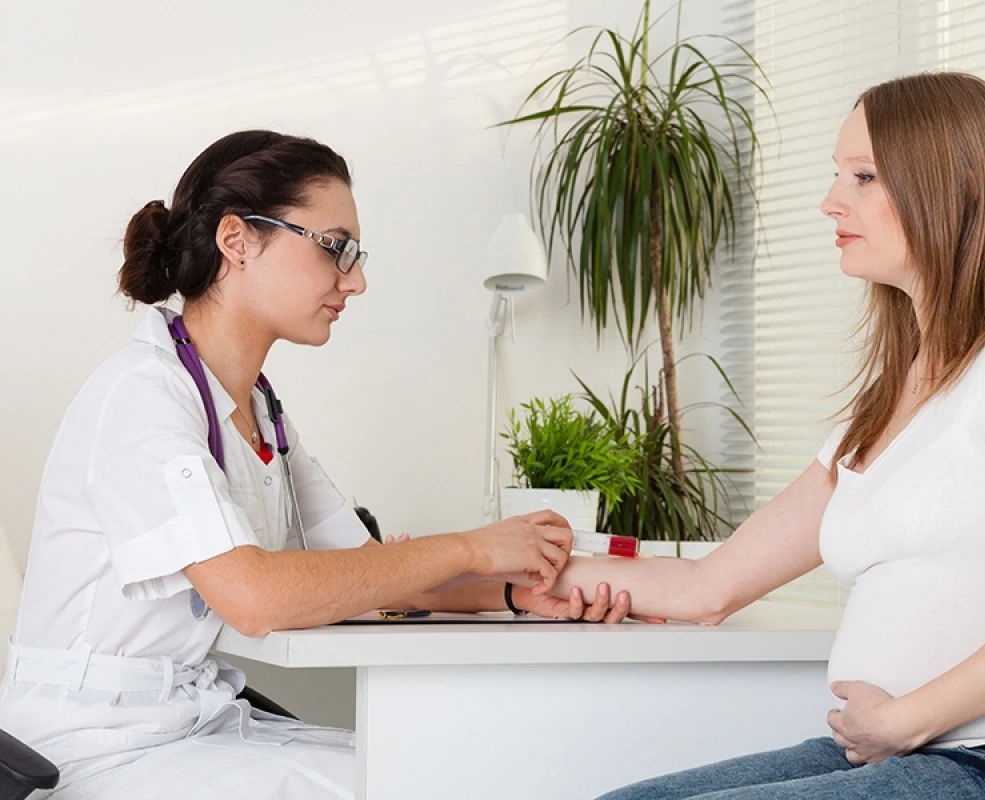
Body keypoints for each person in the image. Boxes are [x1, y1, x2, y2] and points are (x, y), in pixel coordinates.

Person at [553, 73, 985, 799]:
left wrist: (902, 720)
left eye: (864, 176)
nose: (831, 201)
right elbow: (708, 586)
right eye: (839, 174)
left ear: (959, 186)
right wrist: (516, 580)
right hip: (909, 752)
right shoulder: (898, 393)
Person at [0, 130, 633, 799]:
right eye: (335, 247)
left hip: (192, 727)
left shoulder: (260, 413)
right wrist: (473, 547)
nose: (355, 280)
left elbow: (377, 575)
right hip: (91, 752)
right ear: (237, 240)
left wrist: (514, 595)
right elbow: (254, 598)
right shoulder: (142, 394)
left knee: (454, 769)